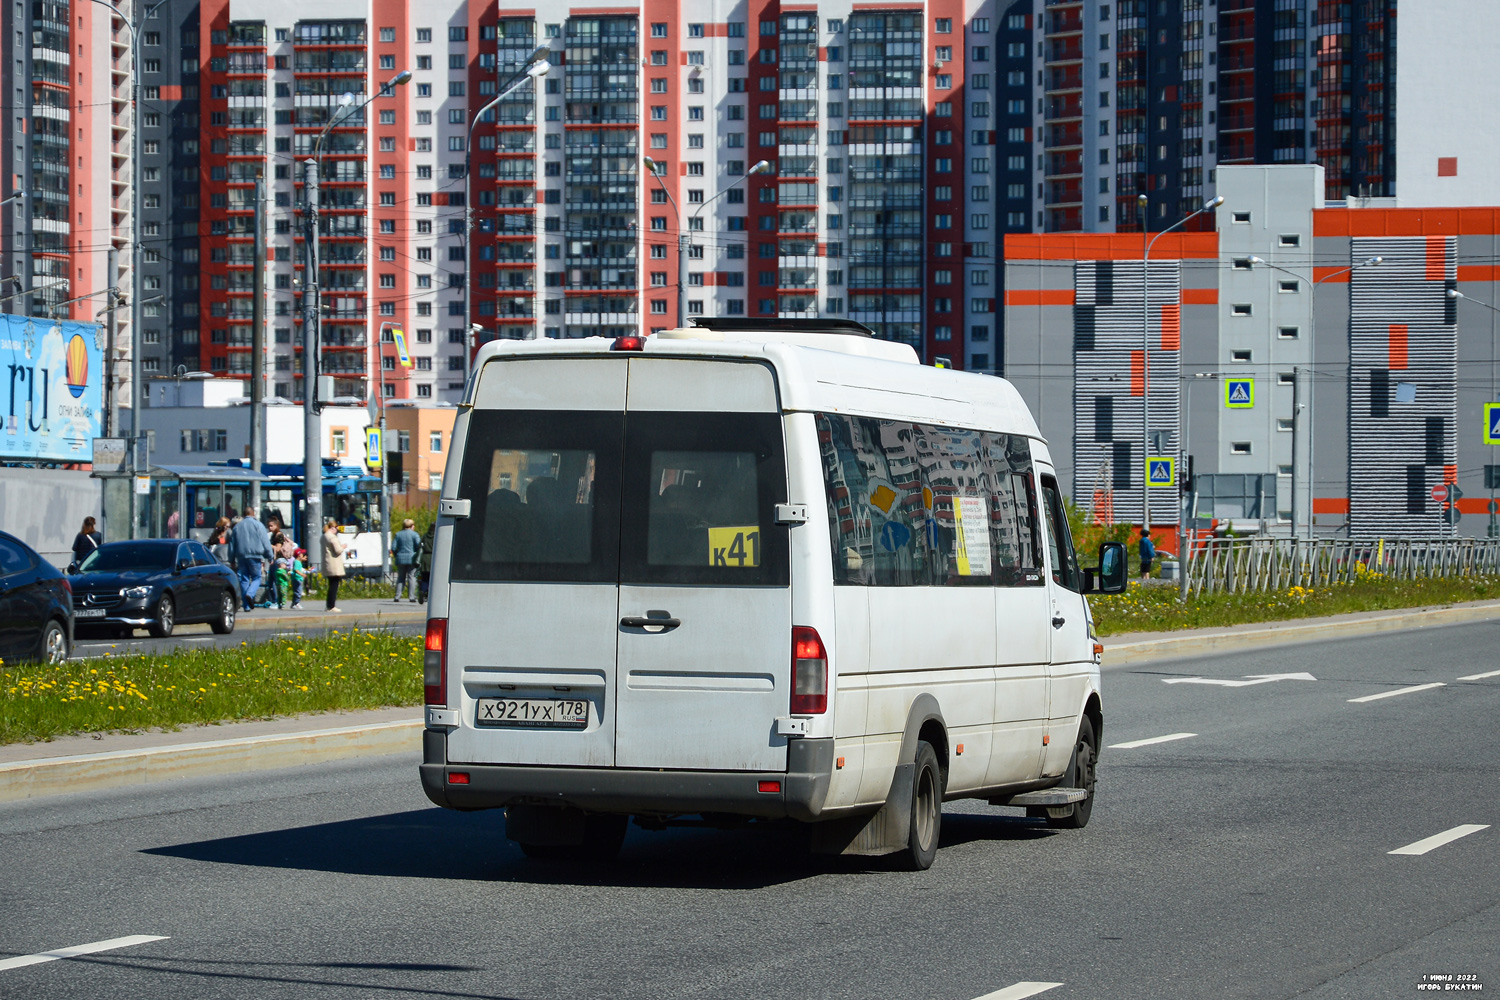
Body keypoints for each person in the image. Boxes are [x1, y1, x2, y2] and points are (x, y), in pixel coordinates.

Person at [228, 505, 275, 611]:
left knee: (243, 579)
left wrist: (231, 559)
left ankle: (246, 605)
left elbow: (232, 545)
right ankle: (250, 594)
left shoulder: (236, 527)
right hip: (255, 556)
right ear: (253, 514)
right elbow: (265, 542)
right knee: (256, 577)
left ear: (244, 515)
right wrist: (270, 556)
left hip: (241, 556)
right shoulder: (258, 525)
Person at [390, 518, 422, 602]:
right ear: (411, 526)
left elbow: (393, 547)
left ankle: (397, 596)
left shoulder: (398, 534)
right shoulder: (415, 535)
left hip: (400, 559)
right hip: (412, 558)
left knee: (401, 578)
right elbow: (419, 546)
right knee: (412, 577)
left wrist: (397, 554)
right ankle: (411, 597)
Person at [322, 516, 347, 612]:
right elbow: (338, 550)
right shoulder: (332, 537)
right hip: (334, 564)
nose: (337, 530)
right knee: (334, 585)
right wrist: (343, 546)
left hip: (327, 563)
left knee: (331, 584)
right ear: (333, 528)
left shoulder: (324, 536)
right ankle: (331, 606)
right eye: (336, 528)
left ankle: (329, 605)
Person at [417, 521, 436, 604]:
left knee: (424, 577)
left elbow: (419, 546)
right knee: (433, 578)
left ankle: (423, 590)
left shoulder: (425, 536)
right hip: (434, 558)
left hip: (425, 558)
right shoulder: (437, 536)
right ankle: (430, 593)